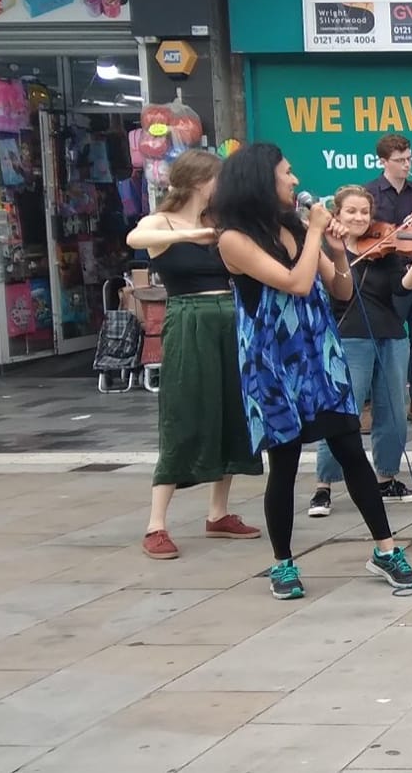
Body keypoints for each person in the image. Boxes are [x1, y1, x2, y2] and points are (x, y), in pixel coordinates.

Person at [211, 144, 412, 599]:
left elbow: (339, 288)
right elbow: (294, 282)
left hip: (318, 355)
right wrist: (313, 234)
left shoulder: (294, 226)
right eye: (286, 174)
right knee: (284, 464)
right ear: (260, 180)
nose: (294, 181)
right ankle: (282, 562)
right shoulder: (234, 238)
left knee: (350, 447)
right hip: (273, 363)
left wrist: (338, 252)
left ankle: (385, 549)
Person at [127, 150, 260, 560]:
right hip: (190, 319)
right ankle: (156, 523)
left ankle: (218, 513)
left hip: (231, 320)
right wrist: (188, 236)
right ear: (201, 181)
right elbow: (136, 239)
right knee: (184, 412)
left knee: (232, 412)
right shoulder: (160, 222)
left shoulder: (220, 223)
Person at [308, 185, 412, 518]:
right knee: (342, 412)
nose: (360, 218)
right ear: (337, 214)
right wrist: (340, 253)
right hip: (349, 337)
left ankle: (386, 479)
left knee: (393, 410)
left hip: (391, 334)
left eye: (365, 212)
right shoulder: (327, 250)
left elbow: (403, 287)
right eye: (351, 211)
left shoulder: (386, 247)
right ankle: (324, 486)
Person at [365, 134, 412, 429]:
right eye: (400, 160)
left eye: (409, 158)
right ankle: (370, 404)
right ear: (383, 162)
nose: (407, 165)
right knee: (384, 339)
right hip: (388, 274)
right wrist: (396, 230)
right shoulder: (371, 193)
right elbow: (364, 234)